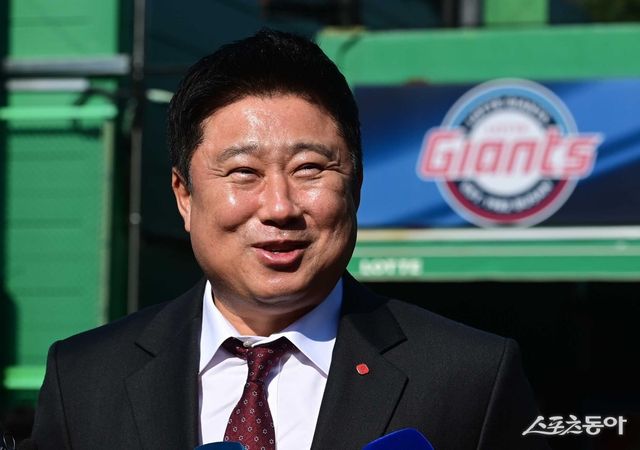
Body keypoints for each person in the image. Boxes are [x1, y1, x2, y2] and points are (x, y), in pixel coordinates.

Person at [30, 29, 549, 450]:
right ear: (184, 196)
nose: (279, 207)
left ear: (356, 186)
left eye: (309, 169)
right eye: (244, 172)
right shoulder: (83, 380)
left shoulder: (470, 377)